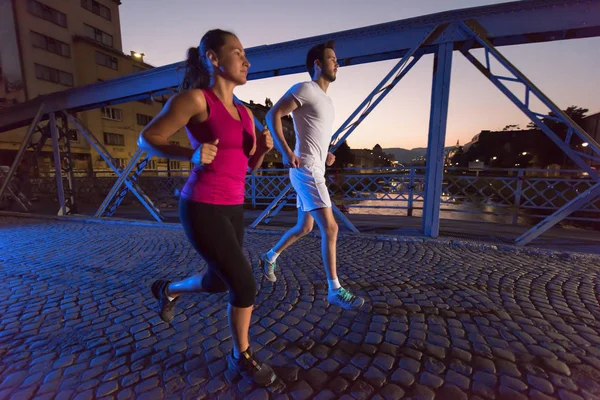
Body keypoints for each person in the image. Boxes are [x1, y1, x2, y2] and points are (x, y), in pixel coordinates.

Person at [137, 29, 277, 387]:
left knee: (217, 281)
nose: (246, 61)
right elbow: (148, 138)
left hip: (233, 206)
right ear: (213, 59)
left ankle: (168, 289)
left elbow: (248, 167)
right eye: (237, 53)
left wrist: (261, 150)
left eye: (246, 54)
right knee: (244, 285)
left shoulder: (245, 113)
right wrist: (191, 153)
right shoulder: (196, 100)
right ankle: (240, 357)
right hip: (201, 205)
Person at [259, 41, 364, 310]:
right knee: (331, 227)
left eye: (336, 59)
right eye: (332, 59)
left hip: (315, 168)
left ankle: (269, 256)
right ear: (317, 64)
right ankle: (335, 289)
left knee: (305, 227)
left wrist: (326, 155)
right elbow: (273, 115)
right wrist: (284, 151)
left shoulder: (327, 100)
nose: (336, 63)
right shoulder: (304, 89)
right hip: (305, 170)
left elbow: (314, 135)